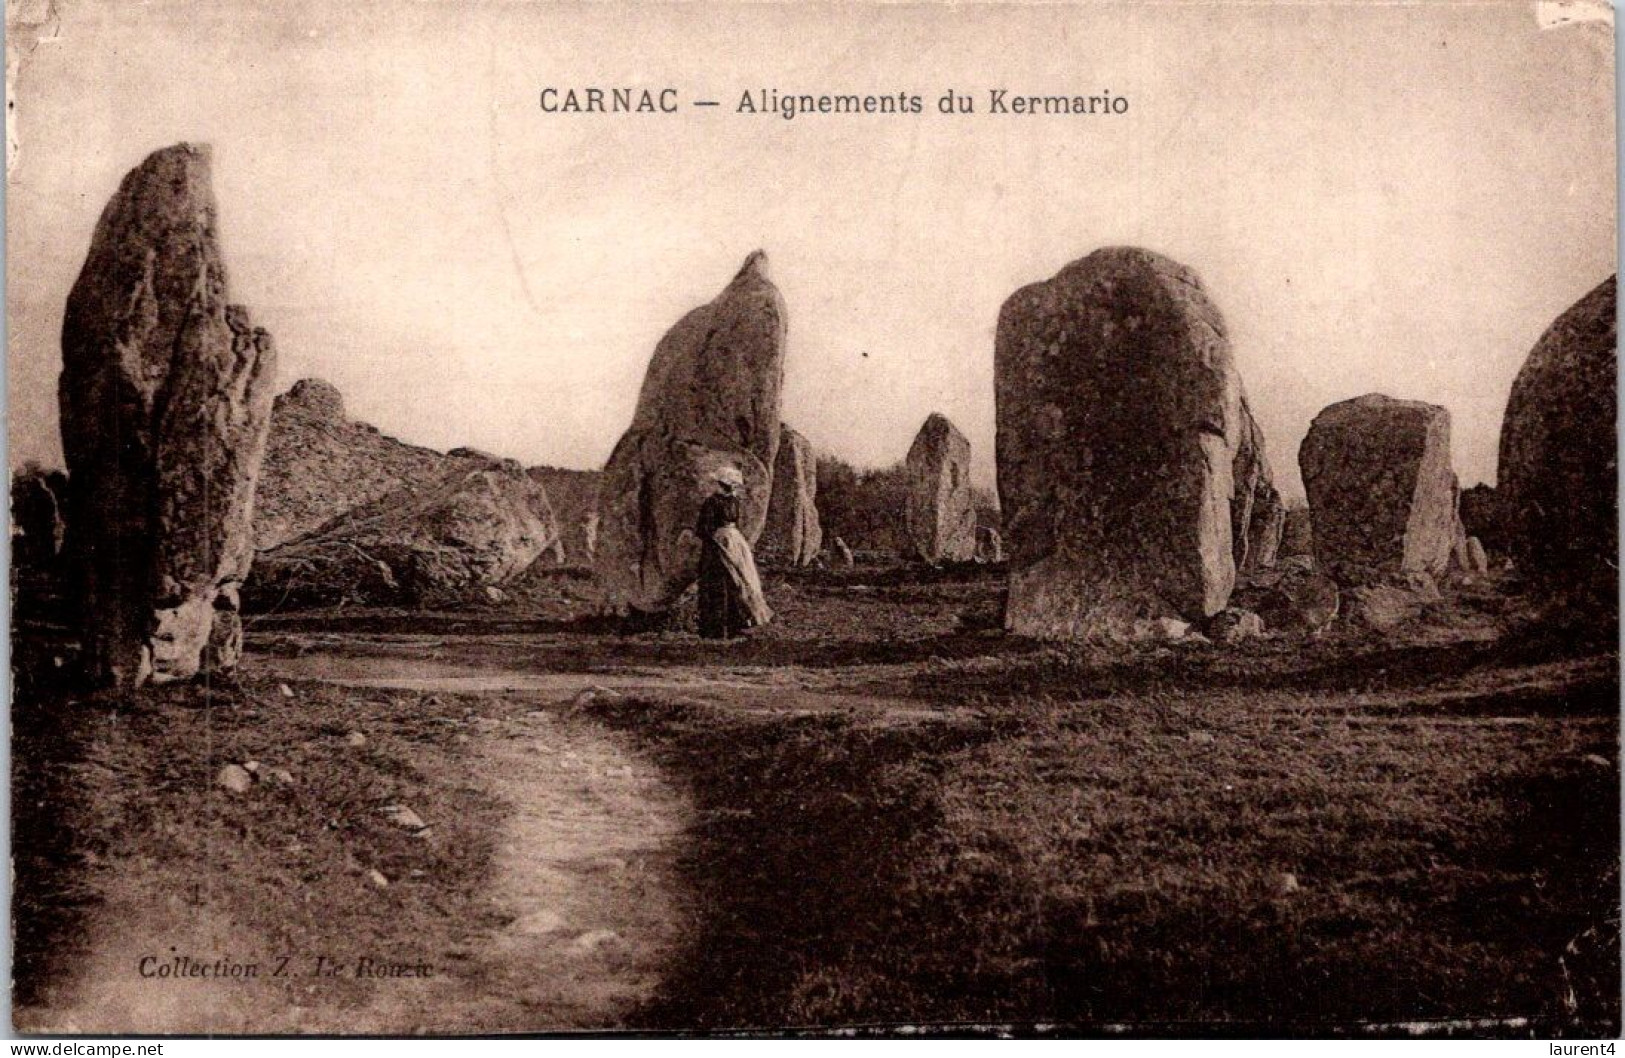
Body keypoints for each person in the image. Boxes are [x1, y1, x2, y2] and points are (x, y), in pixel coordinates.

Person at [695, 471, 773, 640]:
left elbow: (703, 529)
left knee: (716, 584)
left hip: (718, 544)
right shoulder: (734, 502)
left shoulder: (712, 502)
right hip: (735, 542)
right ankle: (736, 625)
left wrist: (712, 538)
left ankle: (716, 629)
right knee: (738, 581)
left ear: (720, 484)